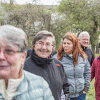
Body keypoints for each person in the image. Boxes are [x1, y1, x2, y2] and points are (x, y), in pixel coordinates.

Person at [0, 25, 54, 100]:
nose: (1, 57)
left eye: (9, 51)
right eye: (40, 43)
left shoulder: (40, 86)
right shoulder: (28, 64)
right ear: (33, 46)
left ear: (22, 57)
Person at [24, 30, 70, 100]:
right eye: (40, 43)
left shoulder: (58, 65)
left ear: (52, 47)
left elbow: (65, 89)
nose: (44, 47)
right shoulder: (23, 66)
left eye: (48, 44)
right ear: (33, 46)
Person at [54, 32, 91, 100]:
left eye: (68, 43)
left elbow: (87, 72)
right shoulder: (57, 58)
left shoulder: (82, 57)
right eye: (64, 43)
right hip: (64, 96)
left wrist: (86, 88)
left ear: (75, 45)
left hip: (80, 95)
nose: (65, 45)